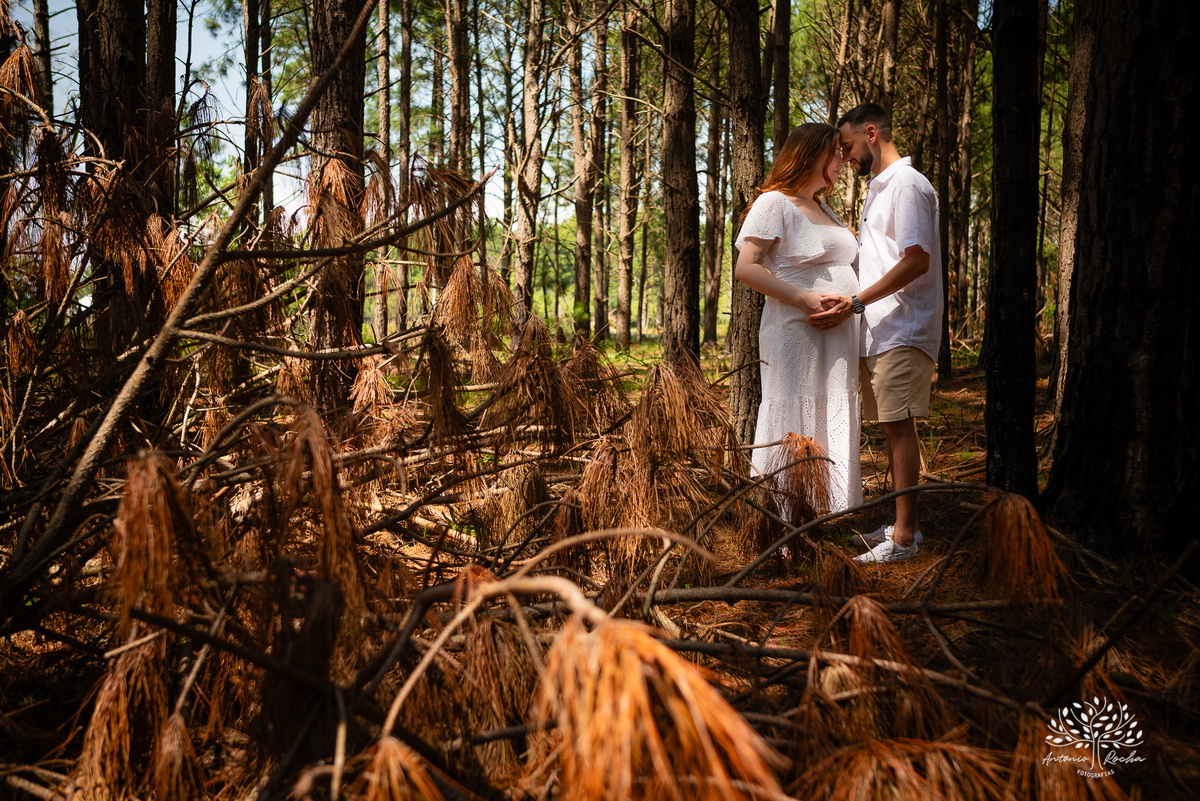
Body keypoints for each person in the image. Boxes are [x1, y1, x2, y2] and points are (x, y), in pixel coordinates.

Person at [811, 103, 943, 564]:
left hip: (903, 325)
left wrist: (859, 302)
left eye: (847, 147)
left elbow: (916, 259)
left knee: (898, 428)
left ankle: (904, 539)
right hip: (882, 328)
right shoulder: (881, 189)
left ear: (871, 134)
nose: (845, 157)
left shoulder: (906, 185)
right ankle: (903, 525)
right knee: (891, 427)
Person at [734, 122, 862, 515]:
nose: (842, 161)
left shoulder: (824, 208)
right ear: (811, 155)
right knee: (795, 411)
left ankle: (825, 510)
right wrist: (803, 298)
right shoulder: (774, 203)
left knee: (830, 410)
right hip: (795, 329)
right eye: (835, 154)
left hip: (838, 334)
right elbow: (746, 268)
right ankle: (786, 520)